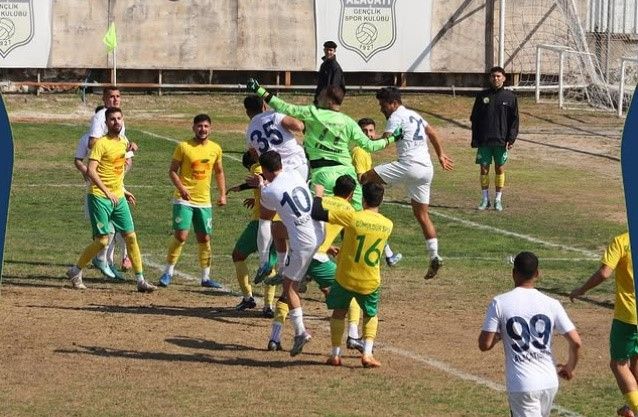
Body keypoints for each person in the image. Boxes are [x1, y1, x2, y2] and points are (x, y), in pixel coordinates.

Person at [246, 79, 401, 211]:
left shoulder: (313, 114)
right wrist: (392, 138)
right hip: (347, 174)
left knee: (317, 216)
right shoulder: (348, 122)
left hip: (322, 174)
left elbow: (284, 107)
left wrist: (259, 90)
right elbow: (370, 146)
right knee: (356, 215)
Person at [360, 87, 453, 279]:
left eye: (383, 105)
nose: (381, 109)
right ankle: (434, 255)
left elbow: (385, 141)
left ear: (393, 103)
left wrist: (366, 141)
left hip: (408, 165)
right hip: (426, 170)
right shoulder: (414, 115)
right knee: (422, 215)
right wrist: (441, 154)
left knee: (364, 178)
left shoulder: (396, 117)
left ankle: (366, 217)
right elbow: (431, 132)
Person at [266, 175, 364, 354]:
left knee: (288, 293)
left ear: (334, 188)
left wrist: (327, 247)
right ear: (350, 195)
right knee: (351, 294)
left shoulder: (318, 201)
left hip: (302, 252)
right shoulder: (349, 210)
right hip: (318, 259)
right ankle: (353, 335)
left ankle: (274, 338)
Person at [479, 251, 581, 417]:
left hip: (522, 384)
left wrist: (501, 334)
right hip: (549, 381)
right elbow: (576, 342)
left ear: (513, 273)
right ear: (537, 273)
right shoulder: (552, 303)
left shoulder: (500, 302)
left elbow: (484, 345)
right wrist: (570, 367)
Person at [66, 107, 156, 292]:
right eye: (112, 119)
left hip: (118, 197)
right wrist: (107, 192)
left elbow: (117, 171)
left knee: (131, 236)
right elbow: (91, 171)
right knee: (102, 241)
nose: (116, 122)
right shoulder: (100, 144)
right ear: (106, 123)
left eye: (119, 118)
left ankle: (140, 280)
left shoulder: (123, 142)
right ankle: (76, 271)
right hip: (99, 197)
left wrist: (123, 191)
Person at [311, 181, 393, 368]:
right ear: (381, 200)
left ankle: (335, 354)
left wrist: (318, 195)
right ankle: (367, 354)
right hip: (369, 279)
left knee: (339, 313)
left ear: (363, 199)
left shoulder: (352, 217)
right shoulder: (388, 225)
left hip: (345, 277)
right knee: (370, 315)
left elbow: (318, 213)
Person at [253, 150, 324, 356]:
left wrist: (261, 186)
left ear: (264, 169)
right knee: (278, 229)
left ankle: (300, 332)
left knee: (288, 288)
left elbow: (265, 216)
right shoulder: (294, 173)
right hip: (319, 232)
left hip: (303, 243)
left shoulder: (269, 191)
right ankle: (291, 270)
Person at [569, 232, 638, 417]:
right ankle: (631, 406)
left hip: (628, 317)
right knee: (635, 359)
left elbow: (604, 273)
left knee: (618, 365)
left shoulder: (622, 241)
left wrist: (582, 289)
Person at [158, 114, 226, 289]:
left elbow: (219, 172)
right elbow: (172, 171)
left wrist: (222, 194)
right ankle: (168, 272)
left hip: (204, 201)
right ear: (193, 127)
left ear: (210, 128)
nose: (203, 129)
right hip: (184, 200)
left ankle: (206, 277)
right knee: (181, 235)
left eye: (206, 126)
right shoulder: (183, 147)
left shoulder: (216, 149)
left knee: (204, 237)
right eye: (199, 126)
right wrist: (181, 188)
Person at [243, 95, 306, 283]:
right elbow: (298, 126)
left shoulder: (250, 131)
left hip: (274, 175)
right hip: (297, 169)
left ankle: (265, 262)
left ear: (247, 111)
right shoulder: (275, 115)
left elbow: (255, 156)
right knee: (297, 218)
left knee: (266, 219)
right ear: (264, 105)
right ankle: (299, 267)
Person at [88, 86, 135, 271]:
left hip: (115, 178)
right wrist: (109, 146)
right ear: (104, 98)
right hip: (102, 180)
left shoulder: (118, 118)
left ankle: (117, 259)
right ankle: (102, 260)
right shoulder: (101, 117)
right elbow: (92, 142)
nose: (115, 99)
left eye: (118, 96)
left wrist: (127, 150)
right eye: (111, 96)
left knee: (122, 227)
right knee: (107, 229)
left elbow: (120, 144)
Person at [226, 151, 278, 317]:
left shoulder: (257, 167)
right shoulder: (285, 168)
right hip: (280, 222)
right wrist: (255, 199)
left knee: (238, 255)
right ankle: (268, 306)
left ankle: (248, 297)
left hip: (260, 222)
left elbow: (262, 180)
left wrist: (242, 187)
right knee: (270, 265)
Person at [353, 117, 402, 268]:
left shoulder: (365, 151)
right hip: (356, 198)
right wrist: (380, 177)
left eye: (371, 131)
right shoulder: (359, 151)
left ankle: (389, 255)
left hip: (360, 197)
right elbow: (361, 178)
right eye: (364, 131)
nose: (368, 134)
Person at [470, 66, 519, 211]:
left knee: (499, 168)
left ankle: (498, 199)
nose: (495, 78)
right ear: (489, 78)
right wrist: (475, 138)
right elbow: (475, 118)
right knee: (484, 169)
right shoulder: (482, 96)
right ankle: (485, 199)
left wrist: (511, 138)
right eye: (493, 76)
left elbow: (514, 120)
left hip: (501, 140)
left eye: (498, 76)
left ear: (504, 78)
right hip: (484, 140)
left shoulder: (510, 97)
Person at [314, 40, 345, 105]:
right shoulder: (323, 65)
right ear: (324, 50)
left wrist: (329, 102)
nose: (328, 52)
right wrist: (316, 99)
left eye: (331, 50)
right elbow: (320, 84)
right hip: (321, 99)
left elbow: (335, 87)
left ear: (334, 51)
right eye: (327, 50)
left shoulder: (335, 68)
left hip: (329, 102)